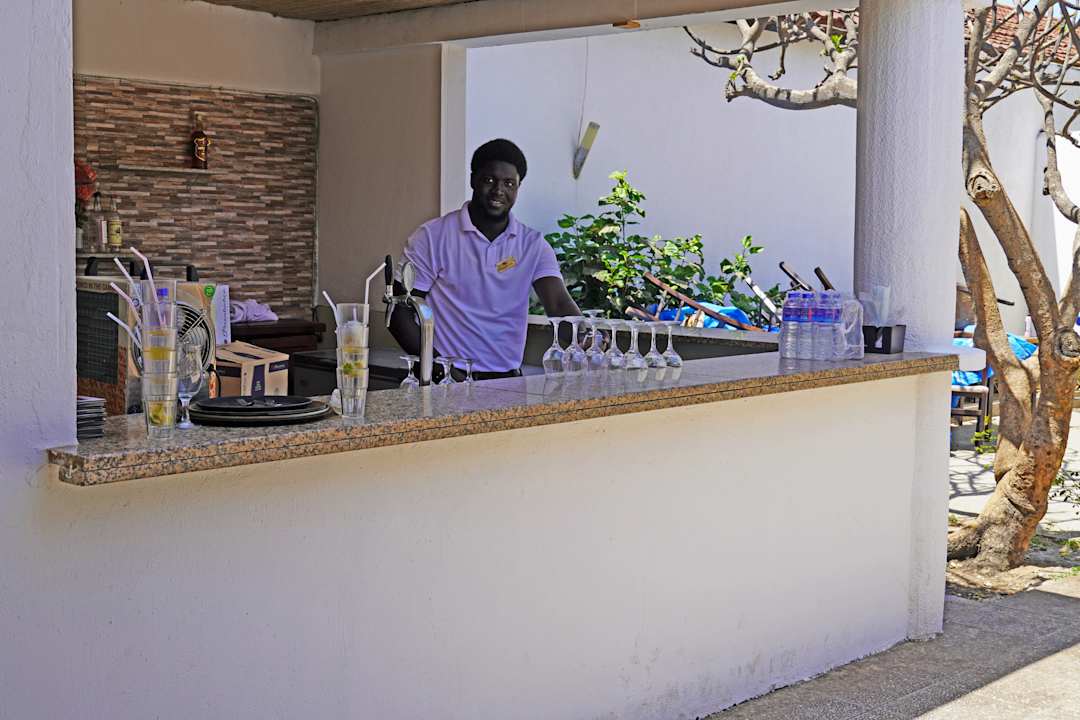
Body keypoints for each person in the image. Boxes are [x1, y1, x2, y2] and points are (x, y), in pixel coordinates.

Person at [389, 138, 581, 380]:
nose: (499, 190)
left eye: (509, 183)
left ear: (518, 187)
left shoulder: (533, 245)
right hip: (446, 380)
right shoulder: (432, 237)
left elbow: (558, 304)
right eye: (489, 180)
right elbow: (399, 312)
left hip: (508, 383)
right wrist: (441, 371)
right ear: (473, 180)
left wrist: (586, 335)